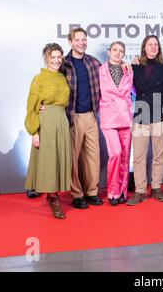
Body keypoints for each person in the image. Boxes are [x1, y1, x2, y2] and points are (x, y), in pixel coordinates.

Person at [127, 35, 163, 205]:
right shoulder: (135, 66)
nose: (153, 47)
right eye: (150, 44)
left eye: (156, 45)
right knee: (139, 157)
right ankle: (140, 191)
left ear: (159, 47)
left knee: (159, 156)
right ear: (144, 47)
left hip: (160, 117)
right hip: (141, 116)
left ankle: (157, 187)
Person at [24, 43, 71, 219]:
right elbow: (31, 106)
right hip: (47, 122)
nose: (57, 60)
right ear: (46, 58)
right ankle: (53, 197)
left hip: (62, 120)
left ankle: (55, 193)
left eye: (59, 57)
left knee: (59, 159)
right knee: (49, 161)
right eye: (53, 57)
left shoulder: (62, 77)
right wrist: (34, 132)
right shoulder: (39, 79)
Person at [63, 27, 104, 209]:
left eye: (84, 39)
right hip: (73, 117)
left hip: (91, 116)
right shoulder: (63, 65)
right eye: (77, 40)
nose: (81, 42)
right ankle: (77, 194)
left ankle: (91, 192)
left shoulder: (94, 62)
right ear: (70, 42)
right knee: (73, 158)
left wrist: (128, 63)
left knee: (93, 157)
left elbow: (110, 73)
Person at [99, 41, 134, 206]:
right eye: (115, 50)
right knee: (116, 154)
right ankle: (112, 190)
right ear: (109, 51)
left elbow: (135, 90)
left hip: (126, 117)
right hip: (109, 118)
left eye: (121, 51)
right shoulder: (100, 70)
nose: (118, 53)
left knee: (126, 156)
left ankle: (122, 191)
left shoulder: (128, 70)